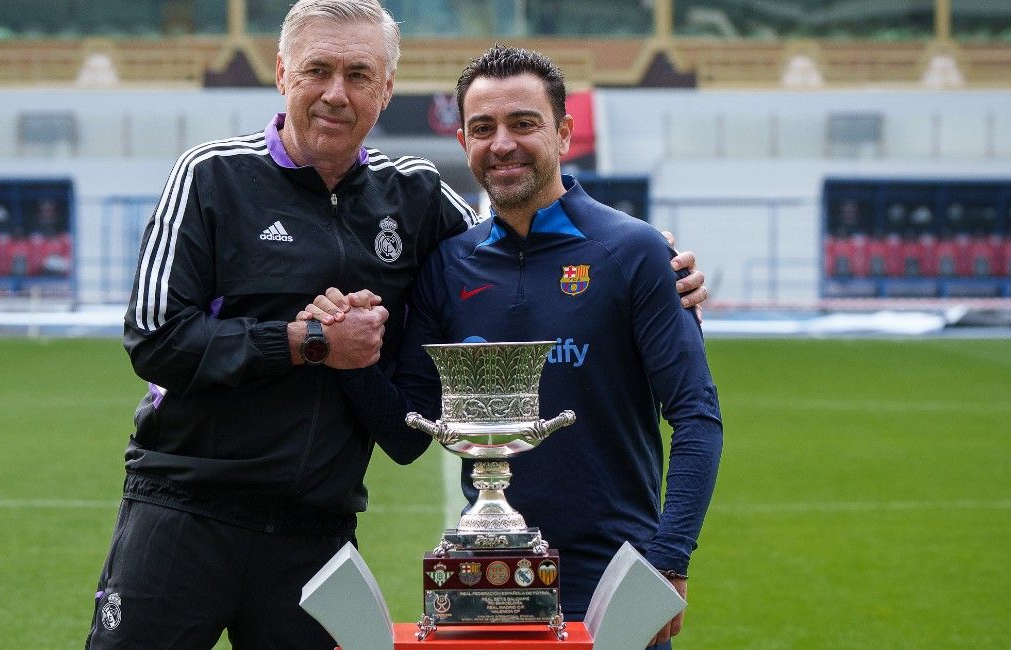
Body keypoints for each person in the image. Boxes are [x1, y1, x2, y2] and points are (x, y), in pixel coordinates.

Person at [88, 1, 708, 646]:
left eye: (359, 75)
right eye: (317, 71)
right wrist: (305, 342)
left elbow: (514, 248)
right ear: (281, 74)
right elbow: (155, 338)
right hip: (186, 508)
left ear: (386, 90)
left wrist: (649, 260)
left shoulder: (413, 195)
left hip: (316, 529)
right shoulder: (211, 175)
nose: (336, 93)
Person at [305, 46, 722, 649]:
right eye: (483, 128)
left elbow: (696, 416)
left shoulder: (635, 253)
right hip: (487, 588)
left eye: (523, 124)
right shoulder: (449, 265)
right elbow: (402, 436)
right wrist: (347, 357)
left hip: (616, 588)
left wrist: (670, 560)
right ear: (465, 140)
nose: (502, 144)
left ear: (564, 133)